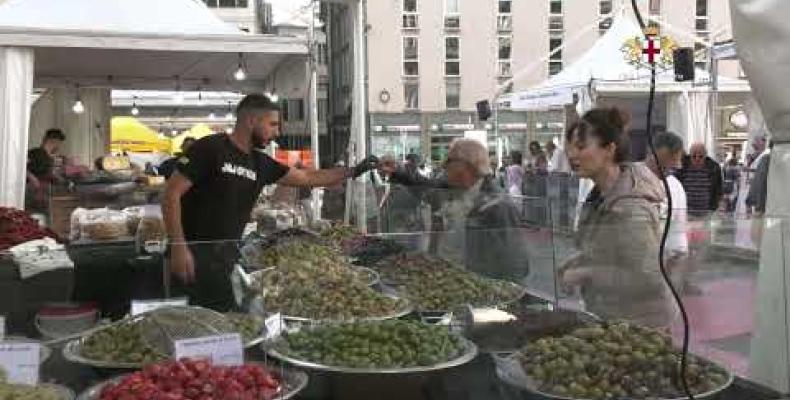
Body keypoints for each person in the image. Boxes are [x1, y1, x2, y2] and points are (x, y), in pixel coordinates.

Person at [162, 94, 377, 310]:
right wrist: (179, 247)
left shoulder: (261, 163)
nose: (277, 132)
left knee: (224, 321)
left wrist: (355, 170)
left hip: (225, 259)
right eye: (272, 124)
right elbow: (171, 194)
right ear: (251, 121)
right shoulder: (210, 148)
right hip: (191, 257)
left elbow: (308, 178)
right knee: (188, 326)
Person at [560, 107, 671, 328]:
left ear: (609, 149)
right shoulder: (601, 196)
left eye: (581, 147)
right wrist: (578, 263)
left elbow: (648, 279)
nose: (572, 155)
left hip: (638, 325)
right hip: (613, 317)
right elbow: (610, 254)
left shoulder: (630, 208)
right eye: (570, 147)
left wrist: (587, 273)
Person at [379, 139, 529, 281]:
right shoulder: (452, 190)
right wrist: (396, 172)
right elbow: (424, 186)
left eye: (449, 161)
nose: (444, 166)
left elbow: (515, 263)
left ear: (466, 165)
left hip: (476, 286)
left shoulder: (498, 205)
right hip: (451, 279)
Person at [645, 131, 690, 292]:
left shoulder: (674, 186)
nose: (676, 166)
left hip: (663, 256)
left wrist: (676, 253)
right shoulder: (637, 180)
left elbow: (676, 225)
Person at [676, 143, 723, 216]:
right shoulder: (682, 168)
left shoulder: (714, 168)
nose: (697, 159)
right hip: (685, 212)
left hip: (707, 213)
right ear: (690, 155)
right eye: (694, 156)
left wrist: (716, 206)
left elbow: (718, 190)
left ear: (705, 156)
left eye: (700, 156)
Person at [26, 128, 66, 211]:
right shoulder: (35, 153)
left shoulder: (51, 157)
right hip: (34, 194)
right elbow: (22, 168)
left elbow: (50, 174)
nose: (59, 146)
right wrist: (32, 178)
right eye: (59, 143)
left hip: (45, 195)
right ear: (54, 141)